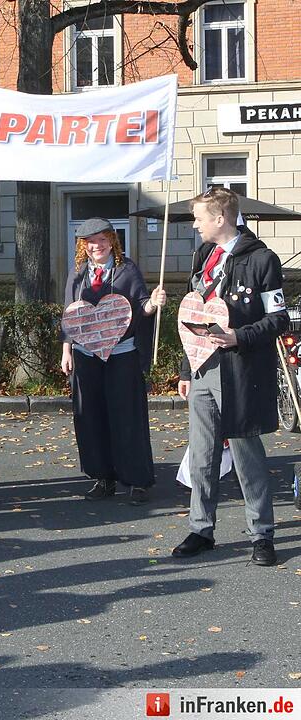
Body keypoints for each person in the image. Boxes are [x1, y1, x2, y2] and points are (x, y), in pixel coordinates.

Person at [172, 187, 287, 567]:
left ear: (220, 219)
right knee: (202, 453)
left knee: (245, 454)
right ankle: (201, 528)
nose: (195, 224)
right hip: (204, 367)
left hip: (241, 370)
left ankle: (261, 534)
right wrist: (187, 369)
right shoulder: (203, 255)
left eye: (199, 218)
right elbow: (193, 315)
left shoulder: (262, 259)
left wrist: (239, 335)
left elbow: (278, 319)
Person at [59, 218, 167, 504]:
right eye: (91, 241)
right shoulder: (79, 273)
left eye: (102, 239)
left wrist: (154, 303)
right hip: (85, 355)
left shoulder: (126, 270)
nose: (97, 246)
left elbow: (142, 305)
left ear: (112, 241)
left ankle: (137, 481)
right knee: (91, 417)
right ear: (84, 245)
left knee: (127, 417)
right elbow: (71, 314)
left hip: (122, 354)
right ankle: (103, 477)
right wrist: (66, 349)